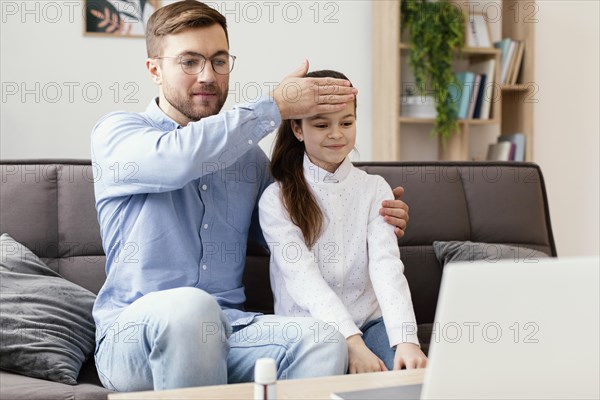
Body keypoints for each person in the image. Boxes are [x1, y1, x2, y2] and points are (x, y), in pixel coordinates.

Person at [91, 1, 410, 392]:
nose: (207, 75)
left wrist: (367, 215)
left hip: (234, 333)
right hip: (135, 337)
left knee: (324, 339)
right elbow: (181, 159)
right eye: (189, 62)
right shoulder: (119, 136)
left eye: (219, 61)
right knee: (191, 307)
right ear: (154, 69)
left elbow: (292, 229)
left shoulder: (249, 161)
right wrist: (274, 106)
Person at [259, 70, 427, 374]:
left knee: (408, 376)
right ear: (297, 128)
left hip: (370, 321)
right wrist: (352, 343)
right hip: (310, 328)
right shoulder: (276, 199)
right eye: (322, 124)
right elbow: (303, 279)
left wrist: (406, 339)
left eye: (346, 123)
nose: (336, 134)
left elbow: (386, 266)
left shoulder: (375, 188)